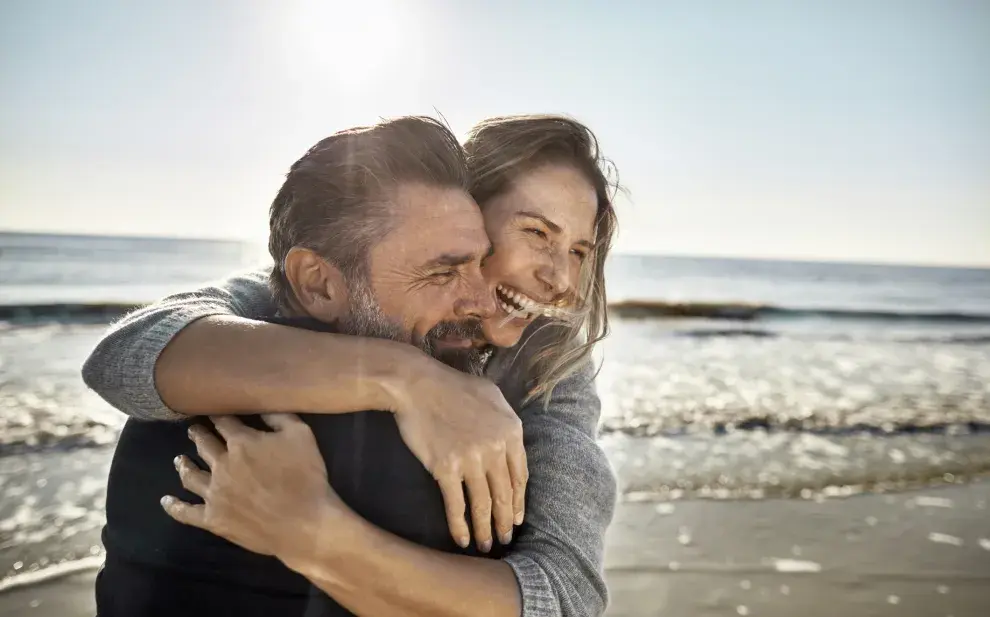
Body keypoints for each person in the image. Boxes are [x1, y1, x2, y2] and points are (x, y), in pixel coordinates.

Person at [84, 114, 620, 617]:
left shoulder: (551, 359)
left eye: (579, 250)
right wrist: (407, 379)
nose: (562, 280)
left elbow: (564, 591)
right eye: (536, 233)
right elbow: (126, 355)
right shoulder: (319, 284)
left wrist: (310, 531)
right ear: (468, 213)